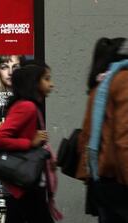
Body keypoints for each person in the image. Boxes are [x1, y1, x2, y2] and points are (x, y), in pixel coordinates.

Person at [0, 61, 59, 223]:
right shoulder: (27, 107)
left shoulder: (29, 106)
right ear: (34, 82)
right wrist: (30, 143)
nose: (51, 84)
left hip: (23, 185)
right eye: (47, 79)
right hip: (25, 186)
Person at [77, 37, 128, 222]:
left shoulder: (99, 86)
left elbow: (86, 135)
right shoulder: (123, 81)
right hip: (118, 178)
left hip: (100, 176)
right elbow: (124, 138)